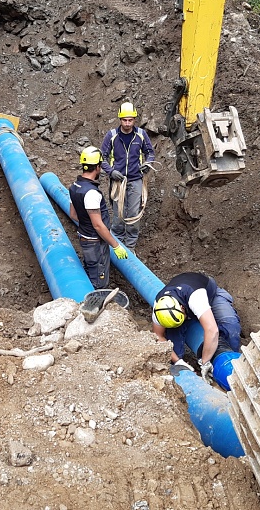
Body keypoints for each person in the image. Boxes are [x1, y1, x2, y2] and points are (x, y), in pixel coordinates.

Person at [151, 272, 241, 387]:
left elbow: (212, 330)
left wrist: (205, 362)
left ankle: (231, 361)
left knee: (230, 325)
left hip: (211, 296)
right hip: (183, 304)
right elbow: (159, 336)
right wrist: (178, 362)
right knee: (174, 349)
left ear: (182, 308)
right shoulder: (159, 308)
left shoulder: (196, 298)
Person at [68, 146, 128, 289]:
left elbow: (73, 214)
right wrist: (116, 245)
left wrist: (86, 224)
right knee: (99, 282)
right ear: (98, 167)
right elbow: (98, 225)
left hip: (84, 238)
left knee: (90, 269)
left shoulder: (74, 187)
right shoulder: (91, 193)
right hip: (95, 243)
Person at [100, 102, 155, 251]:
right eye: (124, 120)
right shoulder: (112, 136)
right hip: (118, 181)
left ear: (134, 120)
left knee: (133, 214)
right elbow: (102, 157)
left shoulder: (141, 135)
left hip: (136, 180)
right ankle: (116, 243)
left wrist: (147, 165)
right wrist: (111, 171)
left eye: (130, 120)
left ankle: (130, 246)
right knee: (118, 213)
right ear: (120, 119)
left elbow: (150, 153)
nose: (127, 123)